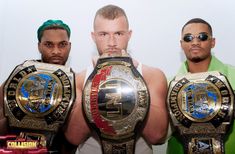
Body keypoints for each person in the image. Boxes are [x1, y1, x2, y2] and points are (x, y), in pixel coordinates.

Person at [65, 4, 168, 154]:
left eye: (118, 33)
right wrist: (95, 80)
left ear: (129, 34)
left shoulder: (152, 76)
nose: (112, 42)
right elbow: (74, 137)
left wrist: (131, 77)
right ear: (93, 37)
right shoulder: (80, 80)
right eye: (104, 34)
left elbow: (156, 135)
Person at [0, 19, 76, 153]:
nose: (56, 51)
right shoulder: (23, 75)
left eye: (62, 45)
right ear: (39, 46)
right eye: (49, 45)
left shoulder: (74, 80)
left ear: (69, 46)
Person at [167, 18, 235, 154]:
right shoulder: (167, 84)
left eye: (202, 37)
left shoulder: (233, 75)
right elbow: (158, 135)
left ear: (213, 42)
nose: (195, 42)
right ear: (181, 44)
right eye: (188, 38)